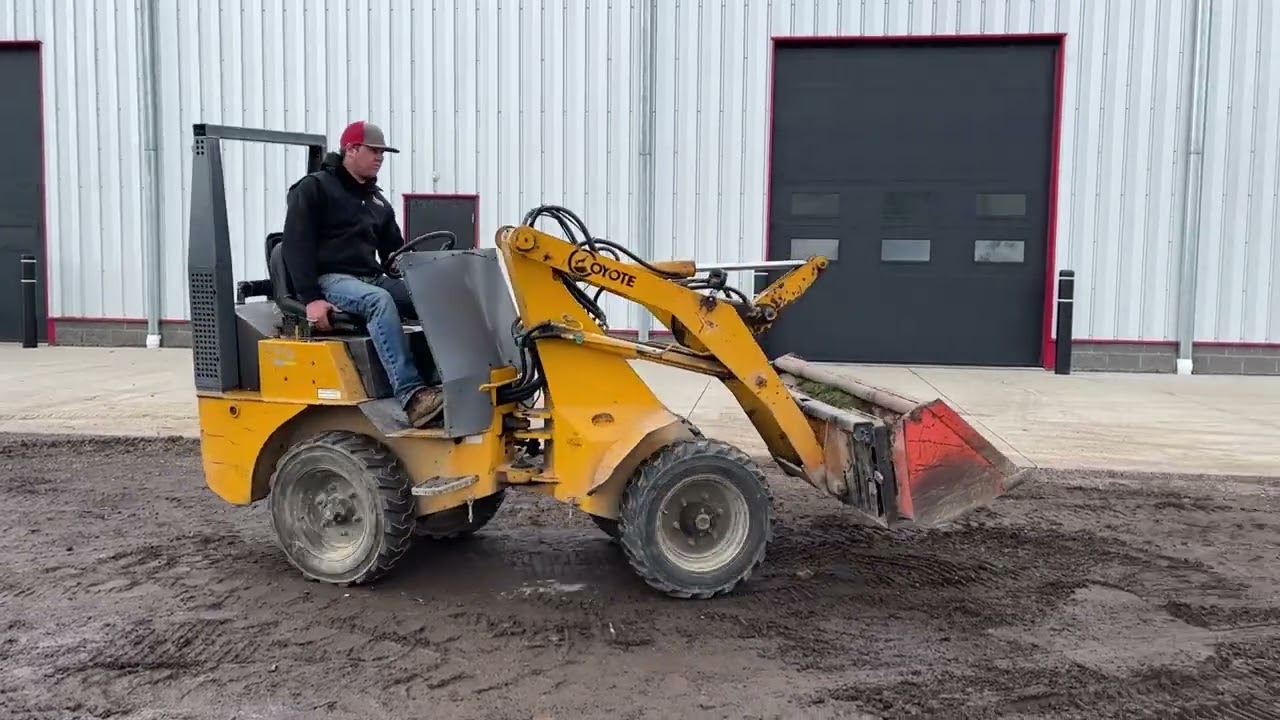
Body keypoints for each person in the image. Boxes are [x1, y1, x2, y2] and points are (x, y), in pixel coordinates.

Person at [281, 120, 444, 428]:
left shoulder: (376, 200)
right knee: (379, 301)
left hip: (368, 277)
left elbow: (394, 251)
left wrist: (415, 271)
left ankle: (447, 380)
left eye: (383, 152)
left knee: (429, 294)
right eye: (374, 151)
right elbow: (295, 246)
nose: (380, 157)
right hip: (329, 279)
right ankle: (412, 397)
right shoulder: (314, 189)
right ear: (351, 150)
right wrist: (311, 299)